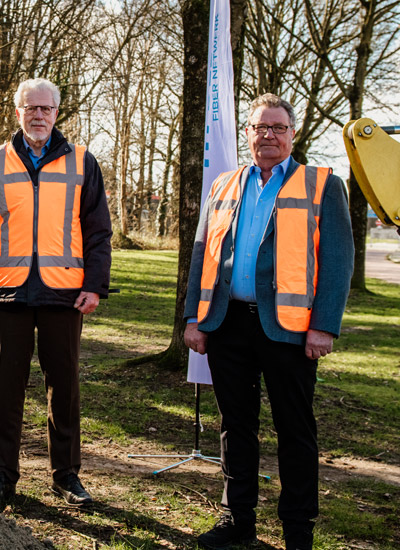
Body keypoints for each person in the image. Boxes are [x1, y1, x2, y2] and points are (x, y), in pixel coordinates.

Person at [184, 93, 353, 550]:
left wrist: (324, 326)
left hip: (290, 331)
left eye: (278, 127)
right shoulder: (224, 184)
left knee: (295, 431)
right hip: (227, 325)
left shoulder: (322, 184)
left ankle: (298, 531)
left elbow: (337, 262)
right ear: (247, 133)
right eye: (260, 127)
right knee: (235, 426)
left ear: (292, 134)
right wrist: (193, 319)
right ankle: (237, 521)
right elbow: (203, 254)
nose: (268, 135)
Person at [0, 78, 112, 510]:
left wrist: (95, 285)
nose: (38, 115)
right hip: (9, 291)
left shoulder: (82, 163)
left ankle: (66, 475)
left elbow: (98, 231)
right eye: (29, 108)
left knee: (65, 386)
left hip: (65, 293)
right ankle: (2, 476)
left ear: (57, 113)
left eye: (46, 108)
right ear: (16, 112)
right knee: (7, 386)